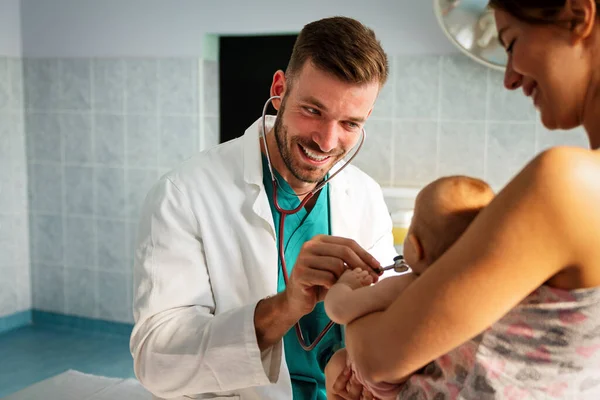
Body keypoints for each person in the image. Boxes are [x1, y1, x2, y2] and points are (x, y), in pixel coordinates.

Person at [333, 0, 600, 397]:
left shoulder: (567, 184)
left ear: (579, 17)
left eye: (510, 43)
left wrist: (353, 305)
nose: (509, 78)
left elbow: (375, 359)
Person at [130, 16, 398, 400]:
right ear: (279, 89)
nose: (327, 141)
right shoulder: (184, 194)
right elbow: (156, 363)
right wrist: (285, 306)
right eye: (313, 111)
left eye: (349, 123)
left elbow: (380, 318)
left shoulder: (364, 194)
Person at [323, 176, 495, 400]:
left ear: (414, 248)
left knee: (338, 364)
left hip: (392, 385)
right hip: (444, 388)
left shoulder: (408, 286)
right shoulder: (489, 296)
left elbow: (339, 309)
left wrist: (346, 284)